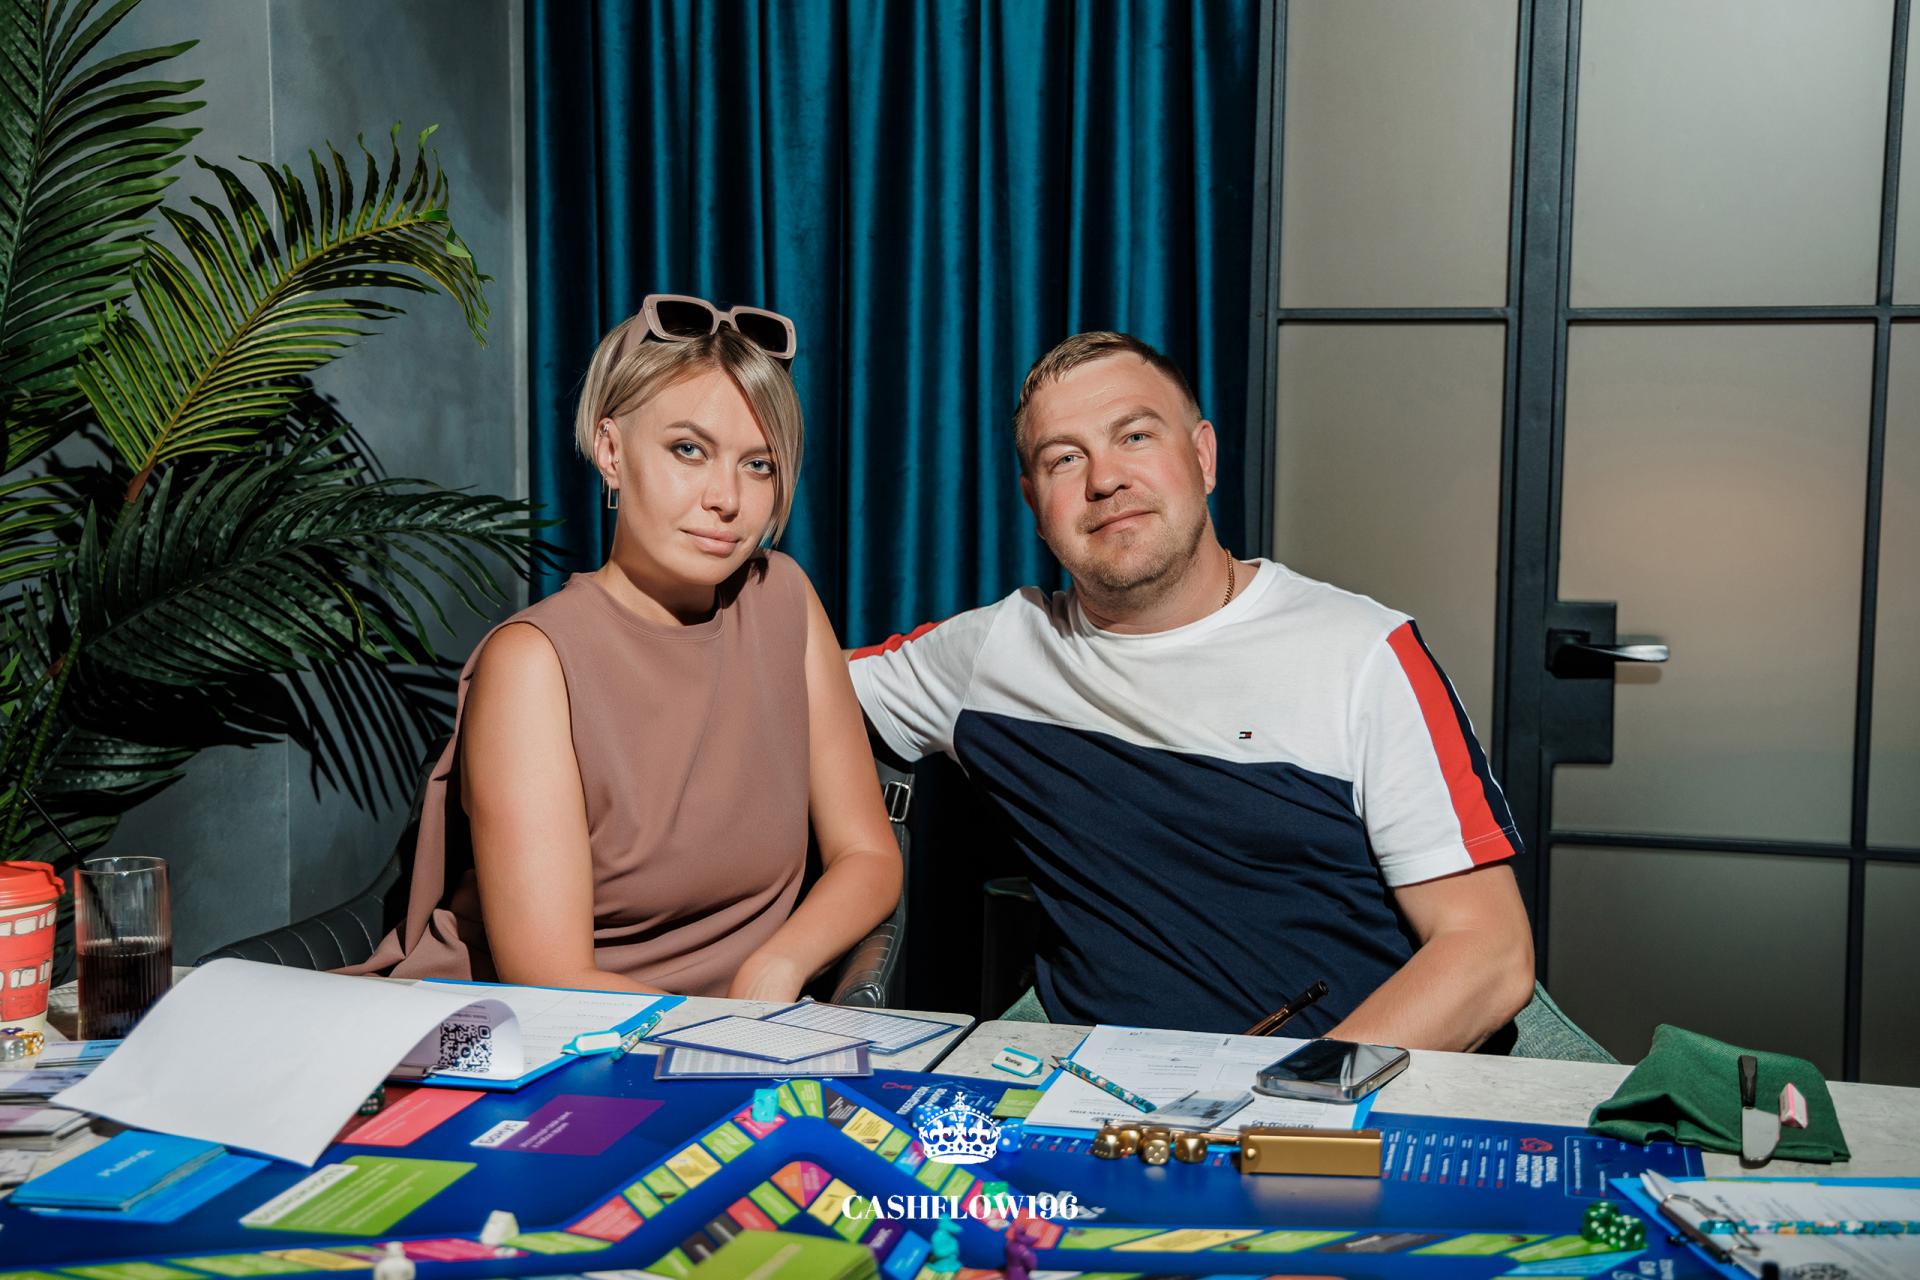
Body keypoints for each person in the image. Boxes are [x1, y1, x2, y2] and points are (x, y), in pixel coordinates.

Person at [848, 331, 1533, 1048]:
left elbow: (1488, 954)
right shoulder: (993, 653)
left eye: (1135, 436)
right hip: (1110, 1090)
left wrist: (1295, 1098)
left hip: (1352, 1087)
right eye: (1065, 458)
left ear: (1203, 457)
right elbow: (790, 676)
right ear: (1034, 503)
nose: (1105, 480)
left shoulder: (1364, 653)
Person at [353, 295, 901, 999]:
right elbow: (550, 977)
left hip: (729, 1033)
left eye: (759, 464)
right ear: (611, 451)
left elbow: (868, 854)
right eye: (689, 450)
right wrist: (729, 1035)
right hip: (524, 1034)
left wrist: (777, 966)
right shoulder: (535, 663)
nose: (726, 498)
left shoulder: (783, 598)